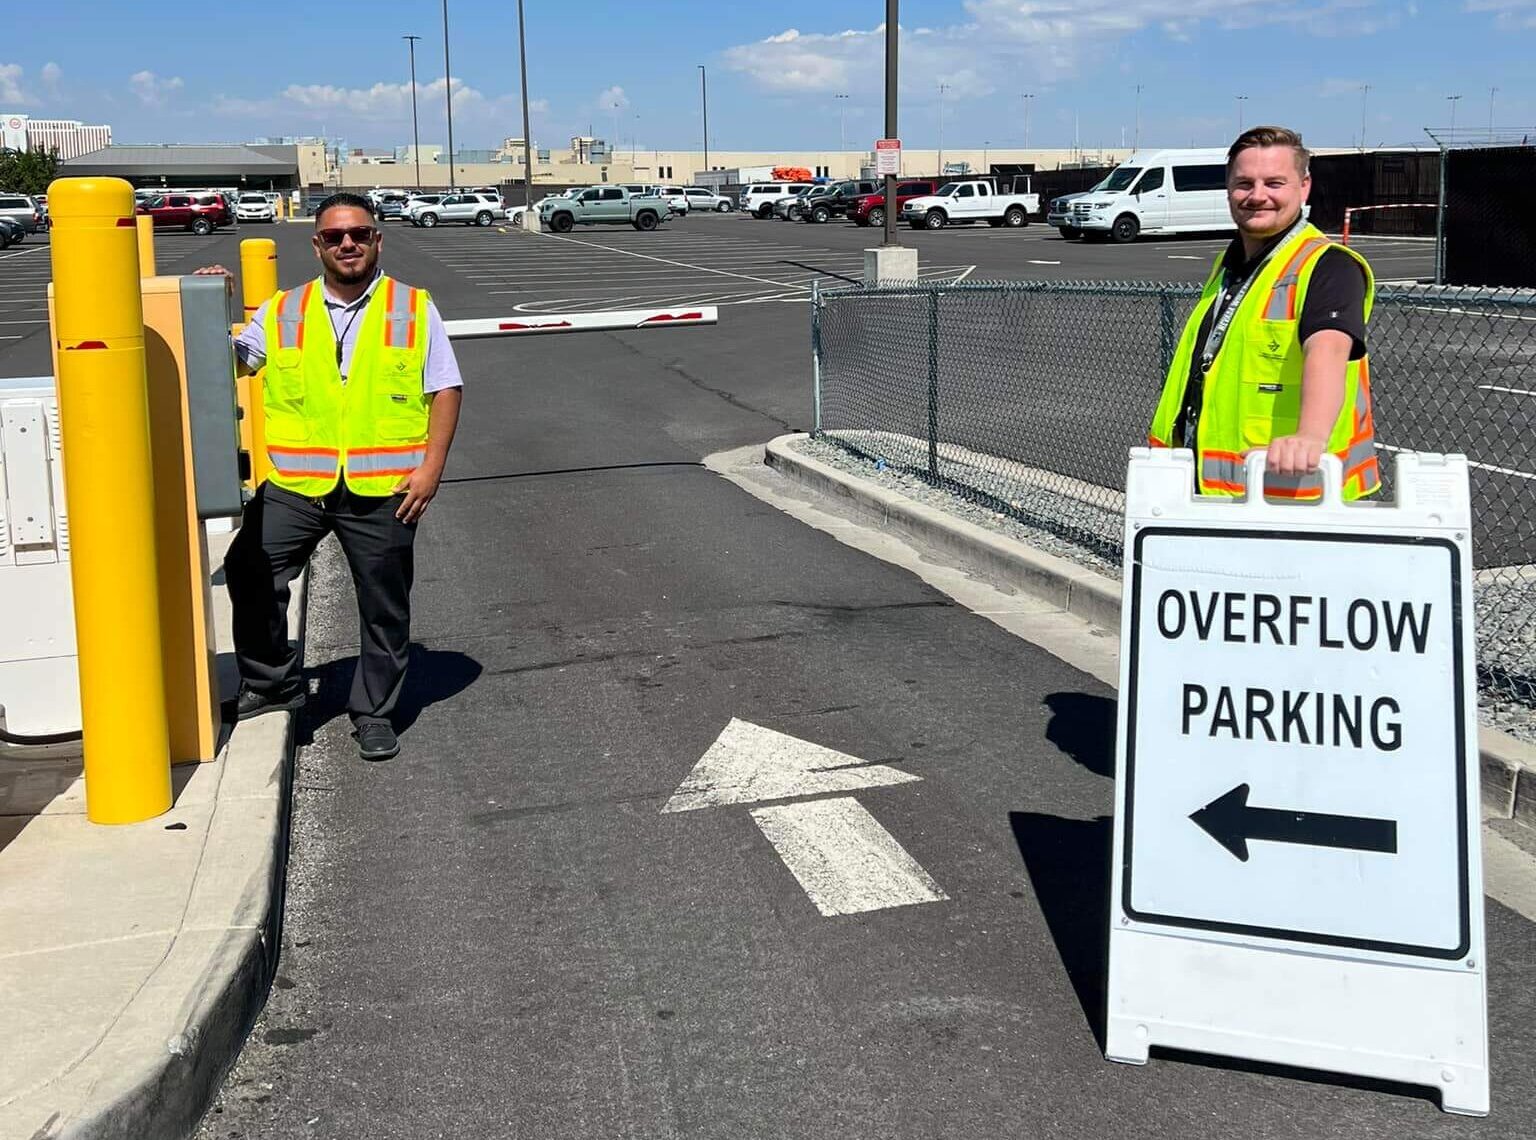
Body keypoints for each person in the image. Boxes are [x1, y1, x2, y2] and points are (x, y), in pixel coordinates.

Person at [197, 191, 463, 761]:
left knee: (383, 604)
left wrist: (431, 470)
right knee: (249, 570)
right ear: (317, 244)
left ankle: (374, 713)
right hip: (299, 483)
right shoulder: (282, 309)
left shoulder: (413, 307)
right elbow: (235, 361)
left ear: (377, 240)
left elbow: (445, 388)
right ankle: (274, 684)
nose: (348, 244)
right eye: (336, 236)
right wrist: (209, 305)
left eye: (360, 234)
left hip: (384, 486)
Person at [1148, 126, 1378, 500]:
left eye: (1274, 183)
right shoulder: (1232, 264)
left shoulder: (1328, 266)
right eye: (1244, 183)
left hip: (1290, 496)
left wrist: (1310, 435)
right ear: (1228, 189)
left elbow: (1329, 350)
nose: (1257, 196)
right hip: (1209, 490)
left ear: (1303, 187)